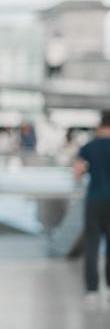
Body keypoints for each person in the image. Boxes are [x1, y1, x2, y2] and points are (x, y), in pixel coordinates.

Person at [74, 109, 110, 306]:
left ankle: (92, 290)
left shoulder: (88, 147)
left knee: (92, 245)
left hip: (94, 200)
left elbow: (77, 173)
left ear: (99, 126)